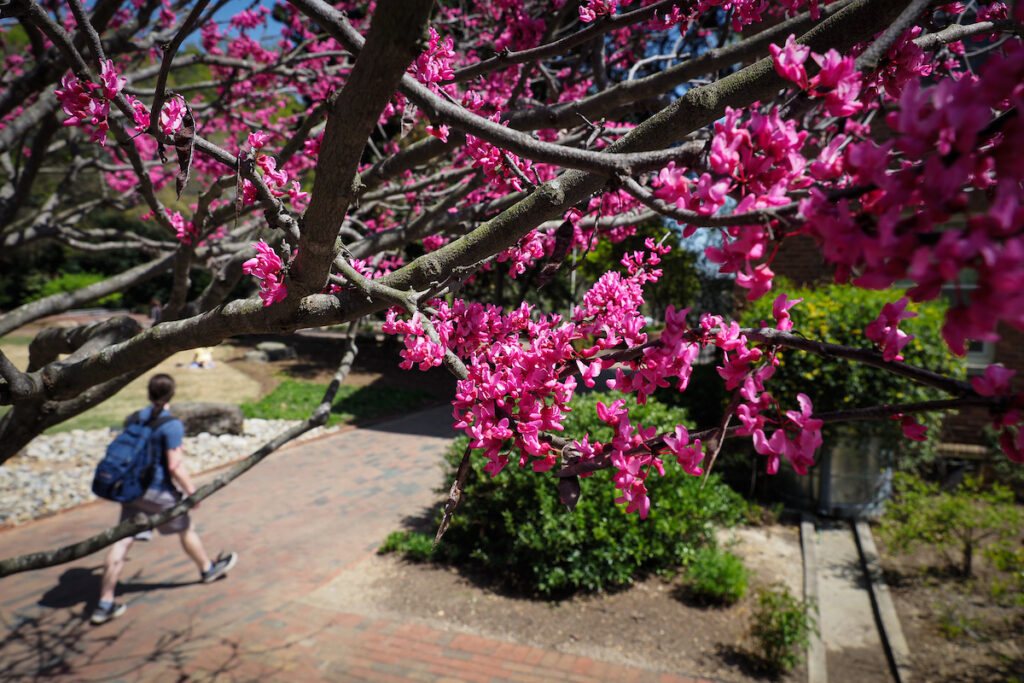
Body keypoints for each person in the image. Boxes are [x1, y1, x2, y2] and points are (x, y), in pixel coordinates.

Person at [91, 373, 238, 625]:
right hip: (157, 491)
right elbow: (174, 466)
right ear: (172, 393)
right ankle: (207, 569)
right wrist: (192, 493)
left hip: (131, 489)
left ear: (149, 393)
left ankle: (104, 602)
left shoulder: (135, 417)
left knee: (122, 541)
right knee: (186, 529)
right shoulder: (172, 425)